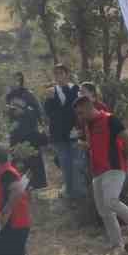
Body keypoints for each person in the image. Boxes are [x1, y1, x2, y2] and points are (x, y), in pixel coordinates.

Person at [77, 95, 128, 255]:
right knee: (104, 211)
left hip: (114, 168)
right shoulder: (88, 125)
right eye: (78, 114)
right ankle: (117, 245)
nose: (80, 117)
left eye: (82, 113)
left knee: (111, 201)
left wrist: (125, 156)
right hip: (97, 171)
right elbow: (94, 145)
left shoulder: (110, 119)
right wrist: (86, 147)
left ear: (90, 107)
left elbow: (127, 138)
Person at [44, 65, 86, 200]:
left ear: (67, 74)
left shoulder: (75, 89)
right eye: (56, 74)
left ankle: (79, 193)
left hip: (74, 133)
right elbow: (48, 113)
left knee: (77, 163)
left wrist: (79, 128)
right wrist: (49, 99)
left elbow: (80, 110)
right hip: (58, 135)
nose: (58, 76)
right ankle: (69, 192)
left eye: (61, 73)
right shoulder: (51, 91)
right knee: (65, 164)